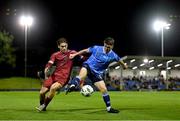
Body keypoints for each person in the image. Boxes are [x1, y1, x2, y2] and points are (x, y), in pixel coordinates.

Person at [66, 37, 127, 113]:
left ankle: (109, 108)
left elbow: (119, 60)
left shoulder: (113, 55)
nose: (107, 48)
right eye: (106, 46)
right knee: (81, 76)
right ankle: (73, 85)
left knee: (104, 90)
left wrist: (124, 65)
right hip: (88, 66)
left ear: (112, 46)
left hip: (96, 73)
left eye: (109, 47)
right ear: (104, 44)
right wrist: (75, 54)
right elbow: (85, 50)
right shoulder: (96, 48)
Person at [36, 37, 77, 112]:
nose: (64, 48)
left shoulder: (72, 52)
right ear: (58, 46)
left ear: (67, 45)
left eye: (65, 46)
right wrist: (47, 68)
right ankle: (42, 106)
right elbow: (50, 63)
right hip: (54, 76)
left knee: (53, 88)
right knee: (41, 93)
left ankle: (44, 105)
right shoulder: (55, 55)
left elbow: (82, 56)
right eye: (62, 46)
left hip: (64, 78)